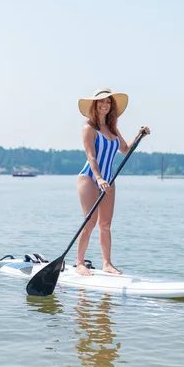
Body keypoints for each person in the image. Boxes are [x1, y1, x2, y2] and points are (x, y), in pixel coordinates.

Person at [76, 87, 150, 276]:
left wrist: (139, 136)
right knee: (90, 222)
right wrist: (99, 178)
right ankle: (80, 263)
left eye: (108, 102)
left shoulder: (112, 128)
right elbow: (91, 157)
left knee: (106, 224)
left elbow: (126, 150)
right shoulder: (89, 128)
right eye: (101, 101)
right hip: (90, 178)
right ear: (95, 104)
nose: (105, 105)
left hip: (109, 179)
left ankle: (107, 264)